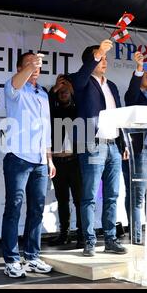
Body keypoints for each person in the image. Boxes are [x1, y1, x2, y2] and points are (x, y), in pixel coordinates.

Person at [70, 39, 129, 257]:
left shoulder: (111, 85)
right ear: (90, 60)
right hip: (93, 145)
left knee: (112, 195)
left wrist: (123, 143)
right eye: (100, 57)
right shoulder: (82, 81)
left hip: (113, 145)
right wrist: (97, 52)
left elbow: (118, 115)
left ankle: (111, 239)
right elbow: (80, 80)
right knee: (89, 196)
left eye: (105, 58)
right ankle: (89, 241)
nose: (105, 61)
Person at [1, 52, 56, 278]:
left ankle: (32, 256)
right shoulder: (13, 88)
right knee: (13, 209)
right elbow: (15, 82)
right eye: (29, 64)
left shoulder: (42, 93)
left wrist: (49, 158)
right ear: (19, 68)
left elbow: (46, 130)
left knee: (36, 210)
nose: (35, 67)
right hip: (18, 158)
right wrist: (29, 66)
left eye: (37, 64)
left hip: (40, 161)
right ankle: (11, 260)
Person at [123, 51, 147, 244]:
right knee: (137, 197)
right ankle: (136, 239)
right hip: (139, 151)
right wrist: (138, 69)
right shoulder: (134, 95)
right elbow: (132, 90)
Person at [48, 74, 84, 249]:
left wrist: (73, 90)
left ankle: (82, 234)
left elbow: (84, 106)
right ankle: (64, 234)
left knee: (79, 200)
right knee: (62, 200)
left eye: (66, 90)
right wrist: (53, 90)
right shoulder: (51, 111)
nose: (63, 93)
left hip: (75, 162)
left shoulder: (78, 109)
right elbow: (45, 104)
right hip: (58, 163)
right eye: (60, 90)